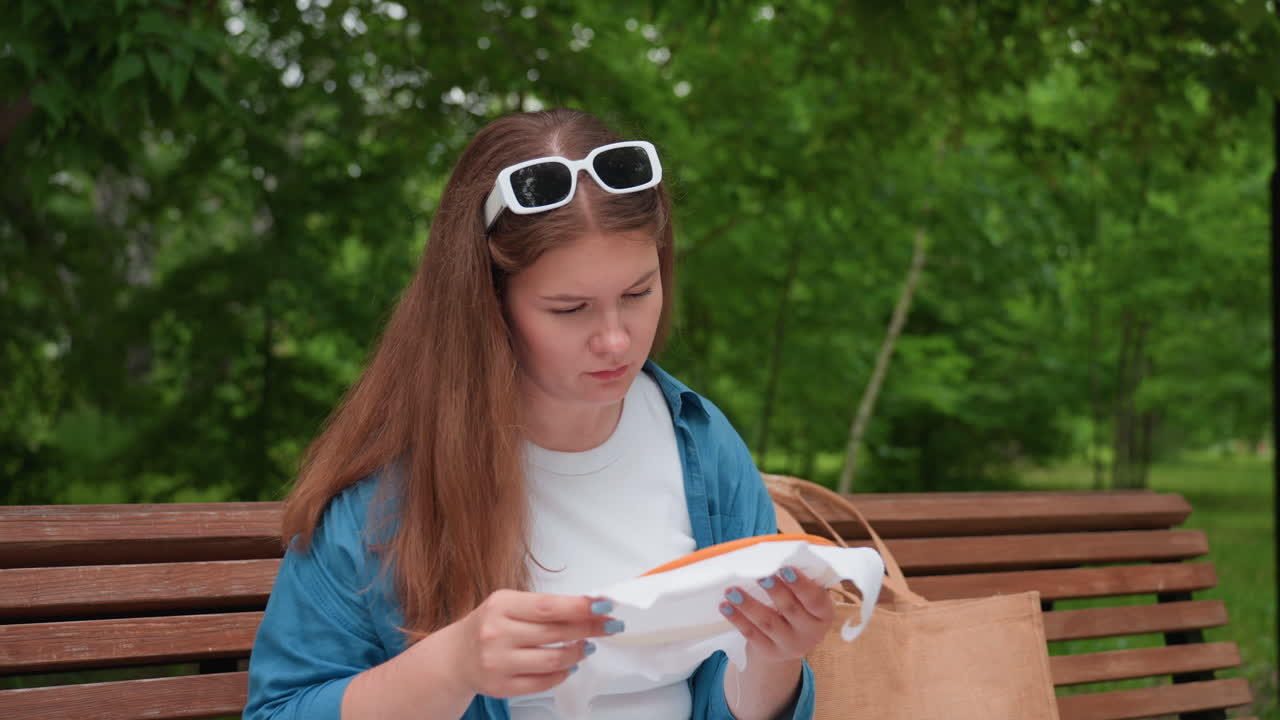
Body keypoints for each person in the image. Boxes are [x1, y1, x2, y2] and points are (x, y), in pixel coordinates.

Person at [244, 108, 834, 720]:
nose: (615, 340)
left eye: (638, 293)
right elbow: (278, 710)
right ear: (487, 305)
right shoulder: (388, 492)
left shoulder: (701, 443)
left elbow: (725, 696)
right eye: (569, 308)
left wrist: (774, 661)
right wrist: (452, 666)